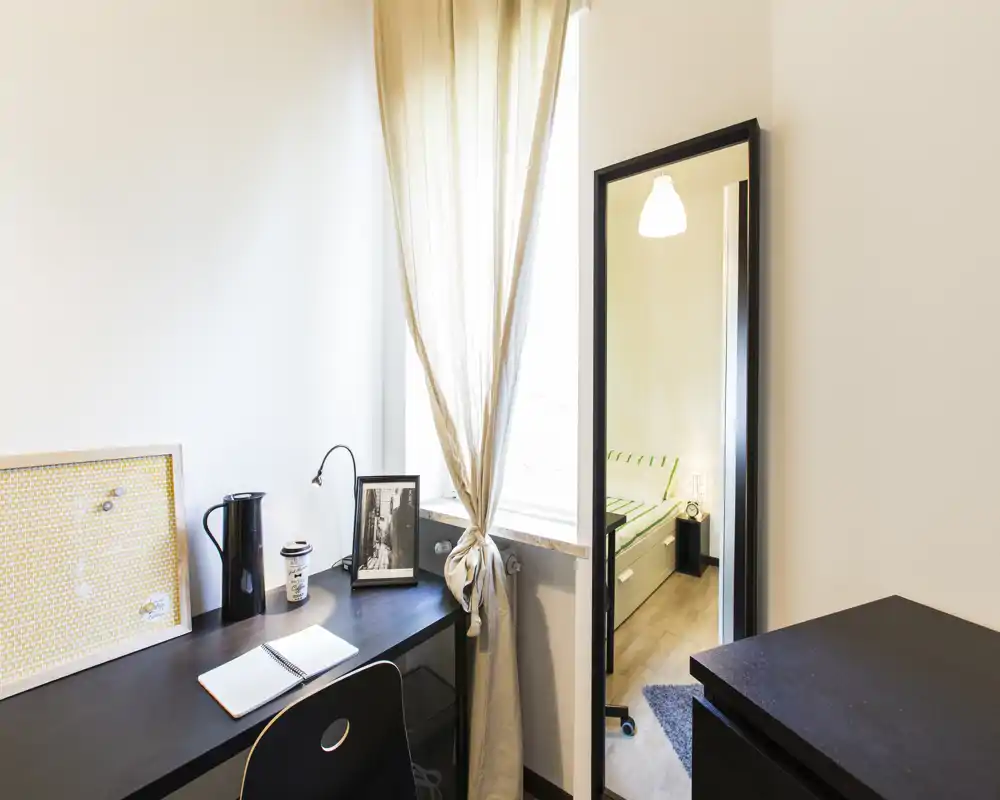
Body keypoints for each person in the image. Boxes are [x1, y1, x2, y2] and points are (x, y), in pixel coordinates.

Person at [385, 488, 414, 569]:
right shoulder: (411, 512)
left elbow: (388, 534)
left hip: (401, 554)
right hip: (402, 554)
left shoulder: (396, 512)